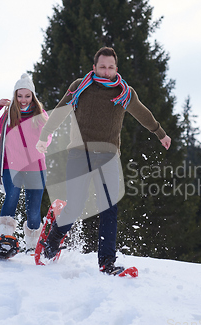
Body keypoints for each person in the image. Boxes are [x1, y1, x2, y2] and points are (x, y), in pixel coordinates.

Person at [35, 47, 171, 274]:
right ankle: (53, 240)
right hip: (79, 154)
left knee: (109, 207)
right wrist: (44, 136)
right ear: (94, 67)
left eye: (110, 67)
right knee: (76, 206)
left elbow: (142, 113)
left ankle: (106, 261)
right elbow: (60, 111)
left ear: (116, 69)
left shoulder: (124, 93)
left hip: (108, 156)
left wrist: (160, 133)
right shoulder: (80, 86)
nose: (106, 72)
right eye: (102, 67)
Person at [0, 73, 52, 256]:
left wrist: (43, 143)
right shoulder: (9, 115)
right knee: (12, 195)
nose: (23, 100)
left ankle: (32, 245)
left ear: (33, 96)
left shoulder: (40, 114)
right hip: (12, 165)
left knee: (33, 210)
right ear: (15, 95)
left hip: (35, 167)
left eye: (27, 96)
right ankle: (4, 239)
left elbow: (48, 135)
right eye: (20, 95)